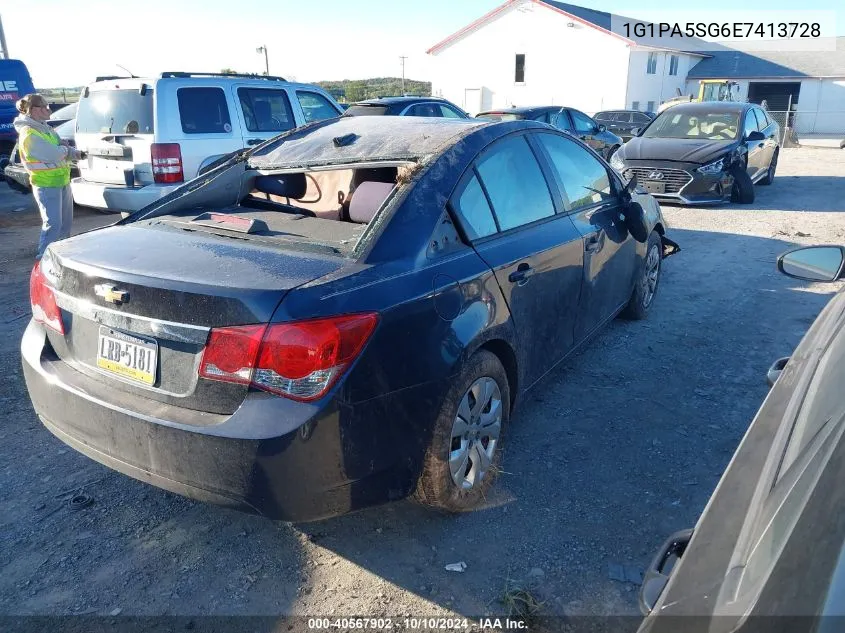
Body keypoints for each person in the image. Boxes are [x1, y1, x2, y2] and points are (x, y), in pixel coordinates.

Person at [13, 93, 84, 259]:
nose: (48, 109)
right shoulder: (29, 133)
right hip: (46, 184)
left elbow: (61, 147)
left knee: (65, 224)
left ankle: (63, 256)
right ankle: (44, 257)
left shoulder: (45, 128)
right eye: (44, 106)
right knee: (53, 224)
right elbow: (54, 153)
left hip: (61, 181)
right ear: (33, 110)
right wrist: (66, 151)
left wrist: (77, 154)